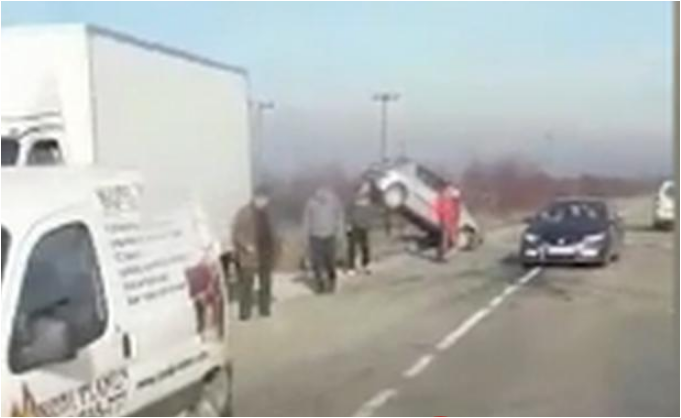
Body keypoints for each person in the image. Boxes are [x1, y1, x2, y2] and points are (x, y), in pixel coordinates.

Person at [232, 188, 280, 320]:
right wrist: (246, 245)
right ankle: (244, 313)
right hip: (250, 255)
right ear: (255, 198)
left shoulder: (269, 213)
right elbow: (236, 233)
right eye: (261, 199)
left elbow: (274, 232)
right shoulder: (244, 213)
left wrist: (277, 248)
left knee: (266, 283)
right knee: (247, 285)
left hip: (266, 253)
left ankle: (265, 309)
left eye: (265, 199)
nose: (263, 202)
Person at [303, 187, 345, 293]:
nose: (322, 195)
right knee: (317, 263)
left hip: (330, 236)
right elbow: (307, 221)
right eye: (319, 193)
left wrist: (340, 233)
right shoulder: (311, 203)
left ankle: (332, 282)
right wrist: (305, 237)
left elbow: (339, 218)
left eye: (324, 192)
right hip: (315, 236)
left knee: (330, 261)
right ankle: (320, 285)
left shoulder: (334, 202)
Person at [346, 185, 376, 275]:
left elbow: (370, 212)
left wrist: (370, 223)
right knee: (352, 247)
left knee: (365, 247)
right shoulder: (353, 199)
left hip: (364, 226)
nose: (366, 189)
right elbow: (348, 212)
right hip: (354, 226)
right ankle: (351, 267)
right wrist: (348, 225)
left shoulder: (368, 200)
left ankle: (366, 265)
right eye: (364, 187)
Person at [433, 186, 460, 262]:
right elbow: (452, 213)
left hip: (446, 221)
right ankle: (442, 256)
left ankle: (441, 256)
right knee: (445, 239)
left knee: (444, 239)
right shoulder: (449, 202)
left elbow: (454, 213)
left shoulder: (449, 201)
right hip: (447, 221)